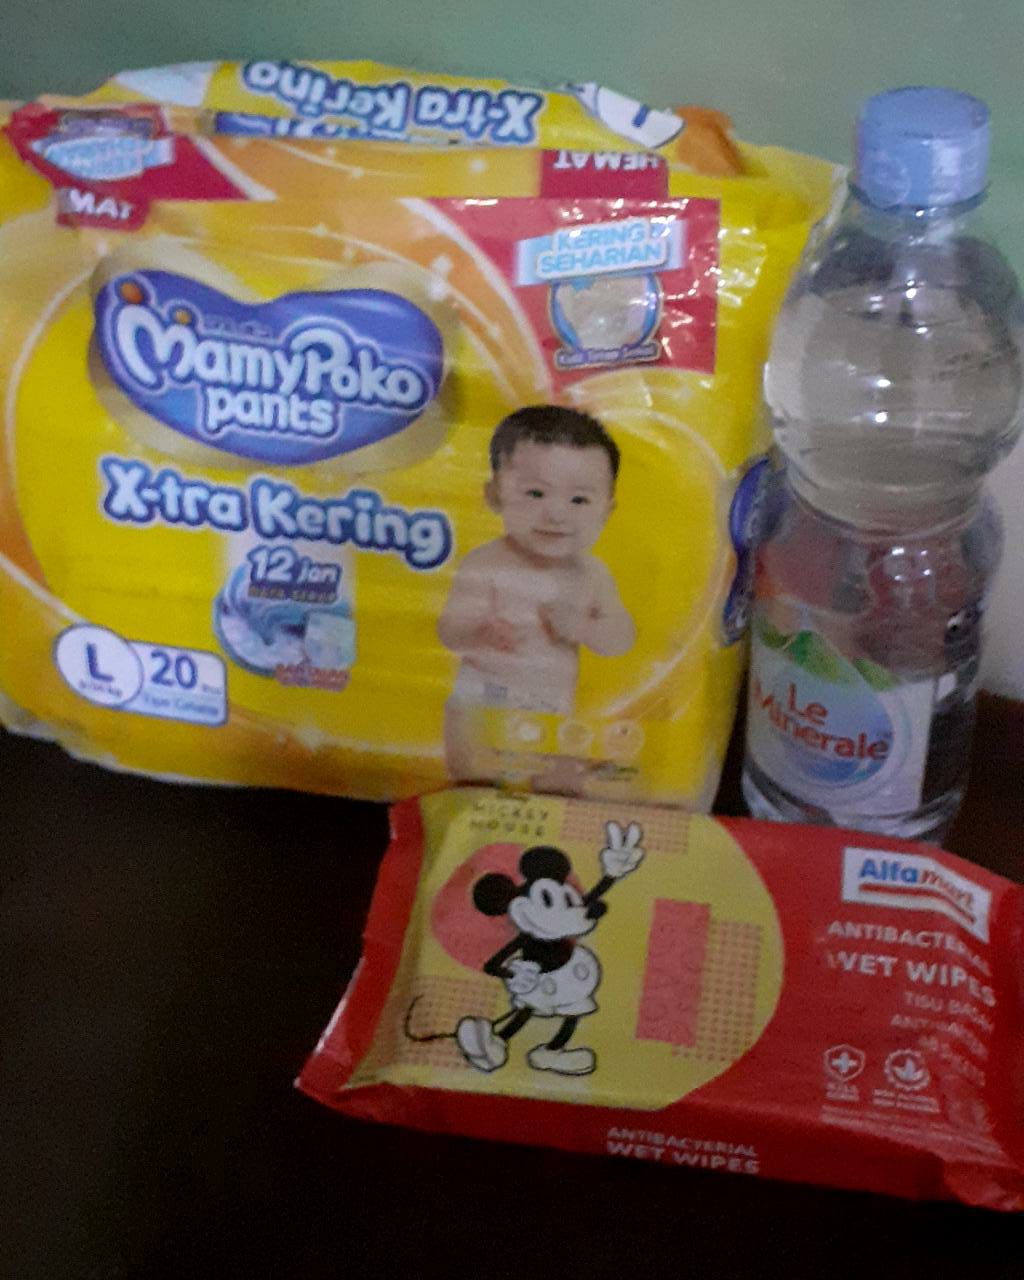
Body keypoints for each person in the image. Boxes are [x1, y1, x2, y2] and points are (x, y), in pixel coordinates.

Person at [439, 405, 635, 782]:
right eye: (535, 493)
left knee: (556, 778)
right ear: (494, 495)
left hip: (551, 706)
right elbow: (449, 631)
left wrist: (583, 627)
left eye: (579, 500)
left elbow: (621, 638)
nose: (557, 514)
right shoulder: (486, 563)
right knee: (474, 773)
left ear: (606, 511)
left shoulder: (592, 575)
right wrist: (481, 632)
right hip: (483, 697)